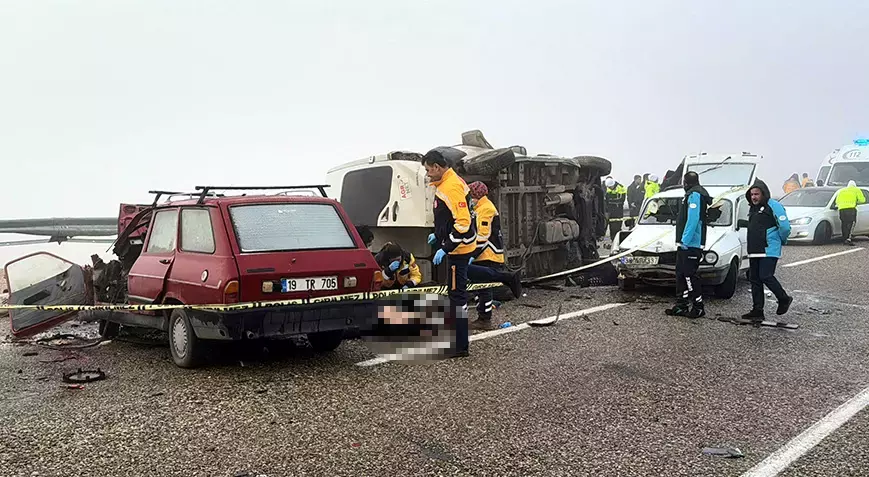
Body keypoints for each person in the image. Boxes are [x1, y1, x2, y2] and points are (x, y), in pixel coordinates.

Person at [423, 149, 477, 358]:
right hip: (458, 246)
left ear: (437, 167)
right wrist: (438, 235)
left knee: (456, 296)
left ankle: (460, 345)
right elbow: (449, 217)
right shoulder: (447, 183)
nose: (428, 174)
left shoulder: (451, 186)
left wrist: (446, 248)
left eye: (429, 170)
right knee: (458, 287)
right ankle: (506, 277)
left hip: (459, 249)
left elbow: (463, 223)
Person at [464, 181, 523, 330]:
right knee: (483, 287)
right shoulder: (479, 208)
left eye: (471, 196)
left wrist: (471, 253)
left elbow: (483, 236)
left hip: (487, 253)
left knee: (484, 287)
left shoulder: (486, 209)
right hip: (484, 253)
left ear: (476, 195)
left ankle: (484, 319)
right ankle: (483, 317)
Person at [737, 179, 793, 320]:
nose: (754, 197)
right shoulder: (753, 208)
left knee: (766, 276)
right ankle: (757, 310)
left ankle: (783, 298)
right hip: (754, 249)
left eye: (757, 194)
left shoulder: (774, 205)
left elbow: (785, 227)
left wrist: (781, 240)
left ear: (763, 193)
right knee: (755, 279)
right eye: (752, 195)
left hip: (769, 248)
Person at [665, 171, 712, 318]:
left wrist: (685, 240)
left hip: (692, 244)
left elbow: (693, 219)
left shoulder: (695, 195)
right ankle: (681, 304)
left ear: (686, 182)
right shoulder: (690, 195)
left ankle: (698, 306)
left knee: (689, 275)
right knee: (680, 273)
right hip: (684, 243)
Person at [835, 180, 866, 246]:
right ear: (855, 185)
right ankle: (848, 239)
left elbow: (837, 201)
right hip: (851, 209)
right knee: (851, 224)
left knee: (844, 224)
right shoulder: (856, 190)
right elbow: (862, 200)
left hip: (842, 210)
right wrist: (856, 202)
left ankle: (844, 238)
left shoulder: (842, 191)